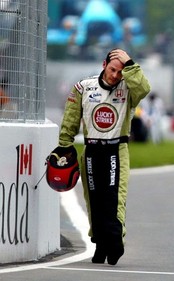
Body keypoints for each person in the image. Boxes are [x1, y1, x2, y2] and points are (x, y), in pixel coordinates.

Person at [57, 48, 151, 265]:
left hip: (116, 150)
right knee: (94, 201)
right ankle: (100, 242)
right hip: (91, 151)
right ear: (103, 65)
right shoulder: (83, 87)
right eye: (112, 70)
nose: (115, 76)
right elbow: (71, 119)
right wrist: (64, 145)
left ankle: (115, 241)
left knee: (114, 200)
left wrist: (130, 64)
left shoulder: (129, 88)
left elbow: (144, 88)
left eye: (120, 72)